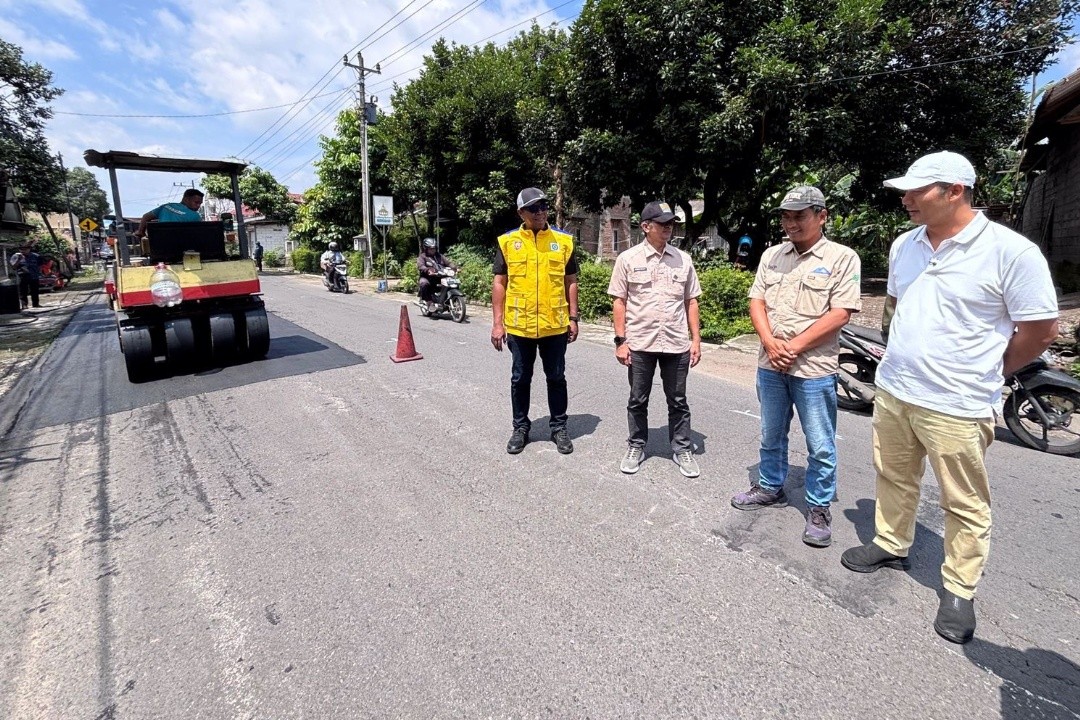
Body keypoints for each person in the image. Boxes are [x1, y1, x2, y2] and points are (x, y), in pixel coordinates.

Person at [840, 151, 1059, 645]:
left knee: (964, 502)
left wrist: (993, 370)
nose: (906, 198)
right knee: (893, 474)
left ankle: (960, 587)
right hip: (897, 390)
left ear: (954, 191)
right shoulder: (905, 246)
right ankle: (892, 542)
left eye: (917, 190)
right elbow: (896, 307)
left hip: (958, 403)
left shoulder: (1011, 252)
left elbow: (1041, 330)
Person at [730, 186, 862, 549]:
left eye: (799, 216)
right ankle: (771, 487)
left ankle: (819, 507)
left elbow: (842, 312)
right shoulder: (772, 255)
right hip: (770, 363)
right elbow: (756, 301)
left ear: (822, 216)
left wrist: (793, 347)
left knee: (820, 443)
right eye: (786, 216)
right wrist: (772, 344)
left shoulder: (843, 258)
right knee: (771, 433)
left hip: (815, 368)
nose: (791, 223)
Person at [607, 201, 703, 477]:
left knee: (678, 400)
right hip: (640, 343)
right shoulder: (628, 259)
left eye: (671, 223)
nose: (668, 228)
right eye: (663, 224)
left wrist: (695, 340)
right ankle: (637, 445)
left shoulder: (683, 259)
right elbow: (619, 302)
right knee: (638, 399)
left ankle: (682, 448)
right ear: (646, 226)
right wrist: (620, 341)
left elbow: (691, 301)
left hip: (675, 343)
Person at [491, 187, 580, 455]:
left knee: (556, 377)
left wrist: (573, 317)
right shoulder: (507, 242)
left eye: (543, 206)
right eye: (534, 208)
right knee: (520, 378)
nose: (541, 212)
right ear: (521, 213)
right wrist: (498, 323)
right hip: (520, 326)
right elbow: (499, 283)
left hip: (555, 324)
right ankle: (520, 427)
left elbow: (571, 281)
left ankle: (559, 427)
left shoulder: (563, 241)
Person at [133, 188, 204, 239]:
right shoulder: (195, 216)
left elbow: (145, 217)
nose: (198, 206)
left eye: (200, 203)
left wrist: (140, 232)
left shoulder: (165, 206)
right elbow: (199, 235)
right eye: (196, 202)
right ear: (186, 199)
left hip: (160, 245)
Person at [417, 238, 457, 311]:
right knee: (424, 283)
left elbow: (448, 263)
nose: (433, 250)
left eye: (434, 248)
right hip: (428, 277)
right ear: (426, 249)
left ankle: (448, 299)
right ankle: (429, 302)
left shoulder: (440, 256)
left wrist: (454, 267)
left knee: (453, 282)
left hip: (440, 277)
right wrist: (428, 270)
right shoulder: (422, 257)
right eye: (430, 249)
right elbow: (421, 266)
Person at [10, 244, 42, 309]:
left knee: (35, 290)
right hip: (22, 276)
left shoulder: (35, 256)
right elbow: (13, 267)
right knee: (23, 291)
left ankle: (36, 303)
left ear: (29, 249)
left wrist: (39, 273)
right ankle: (24, 305)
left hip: (34, 275)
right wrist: (19, 260)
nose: (23, 251)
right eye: (21, 249)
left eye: (25, 249)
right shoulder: (16, 256)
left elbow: (40, 265)